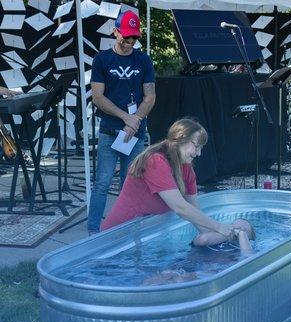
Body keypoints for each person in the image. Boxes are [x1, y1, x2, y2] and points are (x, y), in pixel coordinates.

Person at [101, 117, 236, 243]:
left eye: (201, 148)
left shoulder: (186, 169)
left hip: (140, 236)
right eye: (196, 146)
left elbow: (197, 215)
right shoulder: (155, 161)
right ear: (181, 139)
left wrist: (225, 238)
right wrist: (219, 227)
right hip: (116, 237)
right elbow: (180, 208)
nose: (199, 153)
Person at [87, 10, 156, 235]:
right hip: (109, 131)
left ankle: (125, 230)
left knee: (130, 184)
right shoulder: (102, 59)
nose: (130, 42)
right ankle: (93, 232)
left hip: (134, 132)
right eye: (126, 36)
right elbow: (98, 97)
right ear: (115, 32)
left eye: (134, 37)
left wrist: (134, 121)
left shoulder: (143, 59)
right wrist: (126, 117)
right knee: (102, 183)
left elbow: (150, 96)